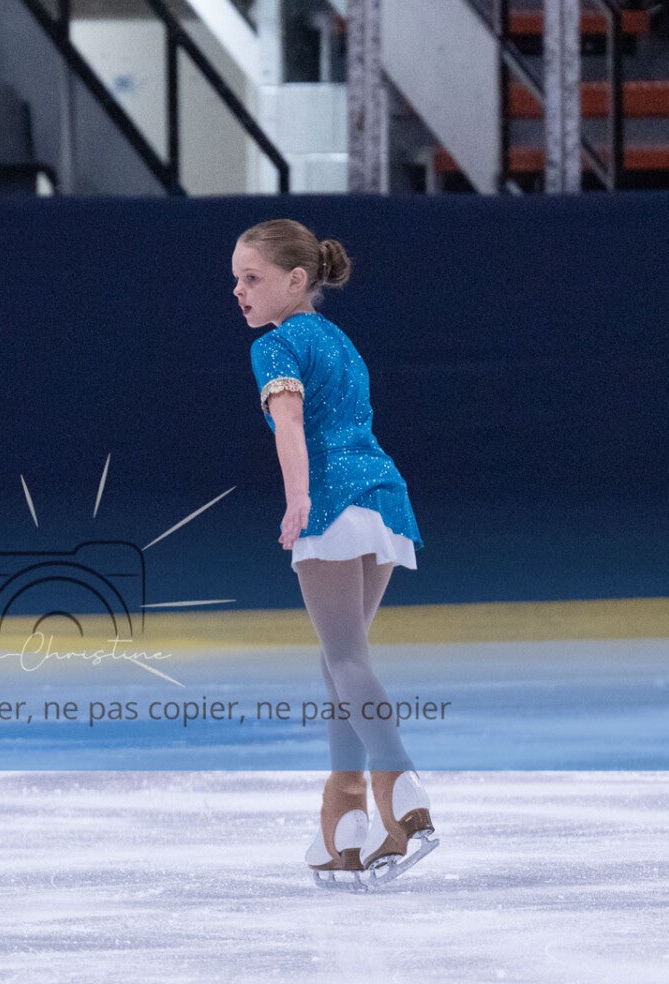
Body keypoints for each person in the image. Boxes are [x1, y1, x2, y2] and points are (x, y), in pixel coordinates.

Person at [232, 218, 436, 884]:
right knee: (339, 662)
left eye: (252, 277)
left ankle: (400, 787)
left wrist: (298, 499)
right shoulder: (337, 339)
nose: (239, 290)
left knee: (345, 658)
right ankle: (346, 820)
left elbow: (289, 424)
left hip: (332, 503)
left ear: (296, 280)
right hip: (385, 499)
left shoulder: (275, 345)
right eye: (236, 279)